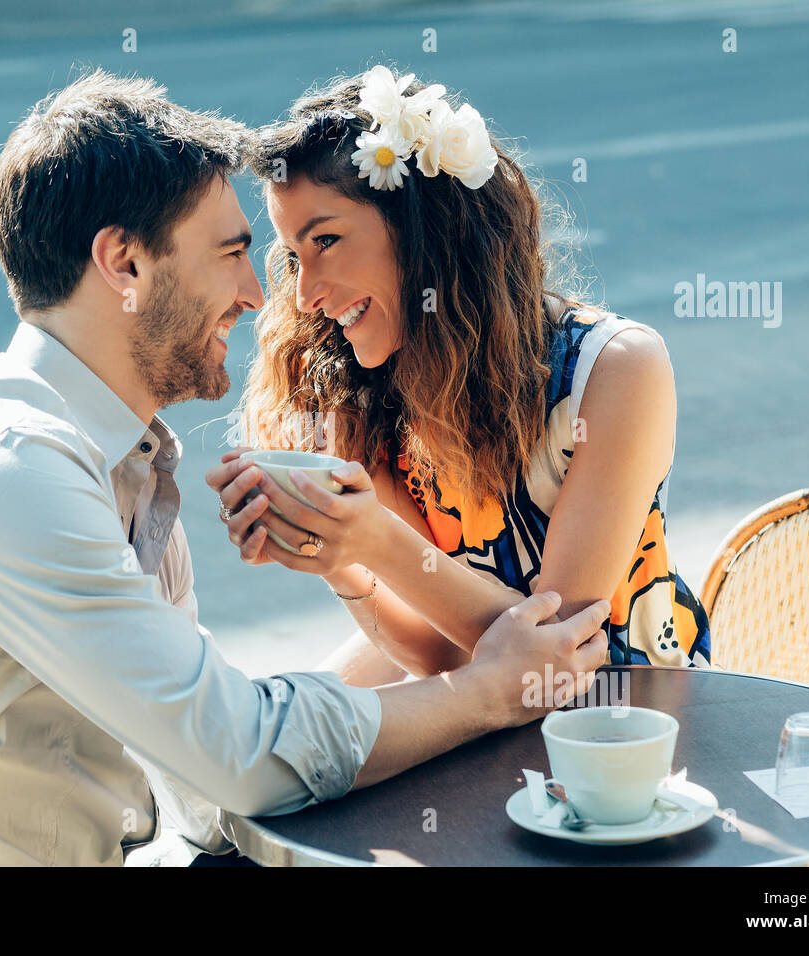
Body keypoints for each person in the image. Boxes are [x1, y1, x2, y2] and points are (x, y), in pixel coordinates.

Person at [0, 69, 611, 867]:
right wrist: (484, 693)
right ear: (124, 264)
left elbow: (201, 767)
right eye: (232, 253)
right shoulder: (13, 474)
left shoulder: (118, 460)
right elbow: (240, 757)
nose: (260, 296)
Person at [210, 66, 711, 690]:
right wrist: (337, 559)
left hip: (625, 728)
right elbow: (439, 656)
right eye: (292, 257)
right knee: (278, 745)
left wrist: (376, 541)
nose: (305, 294)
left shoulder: (613, 369)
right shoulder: (368, 391)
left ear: (427, 230)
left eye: (327, 241)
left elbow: (559, 656)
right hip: (477, 716)